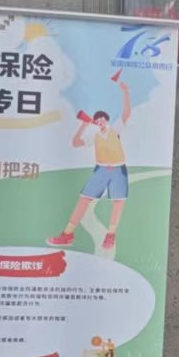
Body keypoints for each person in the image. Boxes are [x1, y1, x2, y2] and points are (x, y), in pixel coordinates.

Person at [49, 73, 132, 252]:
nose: (100, 122)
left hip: (118, 169)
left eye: (102, 119)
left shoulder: (115, 129)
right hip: (100, 170)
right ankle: (67, 234)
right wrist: (83, 125)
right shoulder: (94, 136)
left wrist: (125, 92)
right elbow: (75, 142)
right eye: (97, 120)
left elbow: (126, 114)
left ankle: (111, 235)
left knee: (118, 201)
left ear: (106, 120)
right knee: (84, 199)